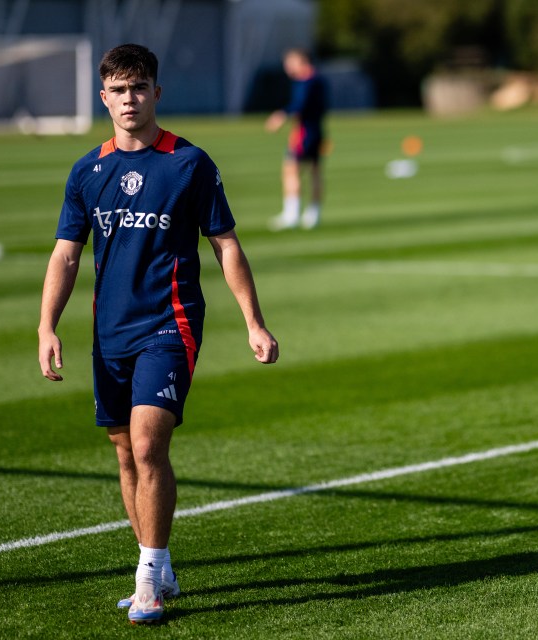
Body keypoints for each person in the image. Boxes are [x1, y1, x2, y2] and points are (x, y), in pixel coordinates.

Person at [38, 43, 279, 625]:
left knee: (148, 445)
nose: (129, 99)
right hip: (110, 332)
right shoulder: (87, 171)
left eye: (139, 88)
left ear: (156, 93)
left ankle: (147, 578)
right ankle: (159, 560)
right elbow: (67, 256)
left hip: (168, 326)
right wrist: (46, 325)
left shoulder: (189, 163)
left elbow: (225, 245)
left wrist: (254, 320)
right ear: (104, 97)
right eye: (118, 90)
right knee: (124, 452)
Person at [265, 48, 329, 230]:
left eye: (289, 62)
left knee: (291, 170)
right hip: (318, 130)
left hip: (303, 133)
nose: (287, 66)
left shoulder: (305, 81)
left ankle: (291, 214)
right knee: (315, 171)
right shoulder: (319, 79)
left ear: (300, 61)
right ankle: (313, 213)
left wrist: (281, 115)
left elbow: (300, 105)